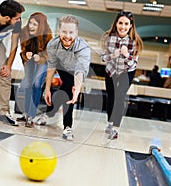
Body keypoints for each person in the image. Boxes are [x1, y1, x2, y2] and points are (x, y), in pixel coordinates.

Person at [39, 15, 91, 140]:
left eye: (71, 32)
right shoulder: (53, 44)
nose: (67, 36)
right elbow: (51, 67)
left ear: (77, 33)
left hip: (75, 71)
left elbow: (80, 69)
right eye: (64, 32)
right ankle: (49, 113)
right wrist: (47, 89)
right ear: (59, 31)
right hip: (61, 66)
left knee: (67, 91)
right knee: (63, 90)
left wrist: (77, 89)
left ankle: (67, 126)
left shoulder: (83, 47)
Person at [100, 11, 143, 139]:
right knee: (111, 96)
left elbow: (133, 63)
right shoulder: (108, 37)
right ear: (116, 23)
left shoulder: (135, 41)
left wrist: (126, 55)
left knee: (120, 96)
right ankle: (110, 122)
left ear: (131, 26)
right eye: (120, 23)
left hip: (127, 71)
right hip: (111, 70)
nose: (123, 26)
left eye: (126, 24)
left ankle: (115, 128)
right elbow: (103, 58)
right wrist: (113, 55)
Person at [16, 12, 53, 127]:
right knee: (27, 84)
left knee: (36, 84)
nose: (31, 26)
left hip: (43, 61)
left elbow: (50, 55)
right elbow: (22, 50)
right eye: (30, 23)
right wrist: (26, 54)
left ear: (40, 26)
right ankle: (26, 113)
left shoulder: (48, 36)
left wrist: (40, 57)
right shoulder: (24, 32)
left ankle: (31, 116)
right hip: (30, 60)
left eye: (34, 24)